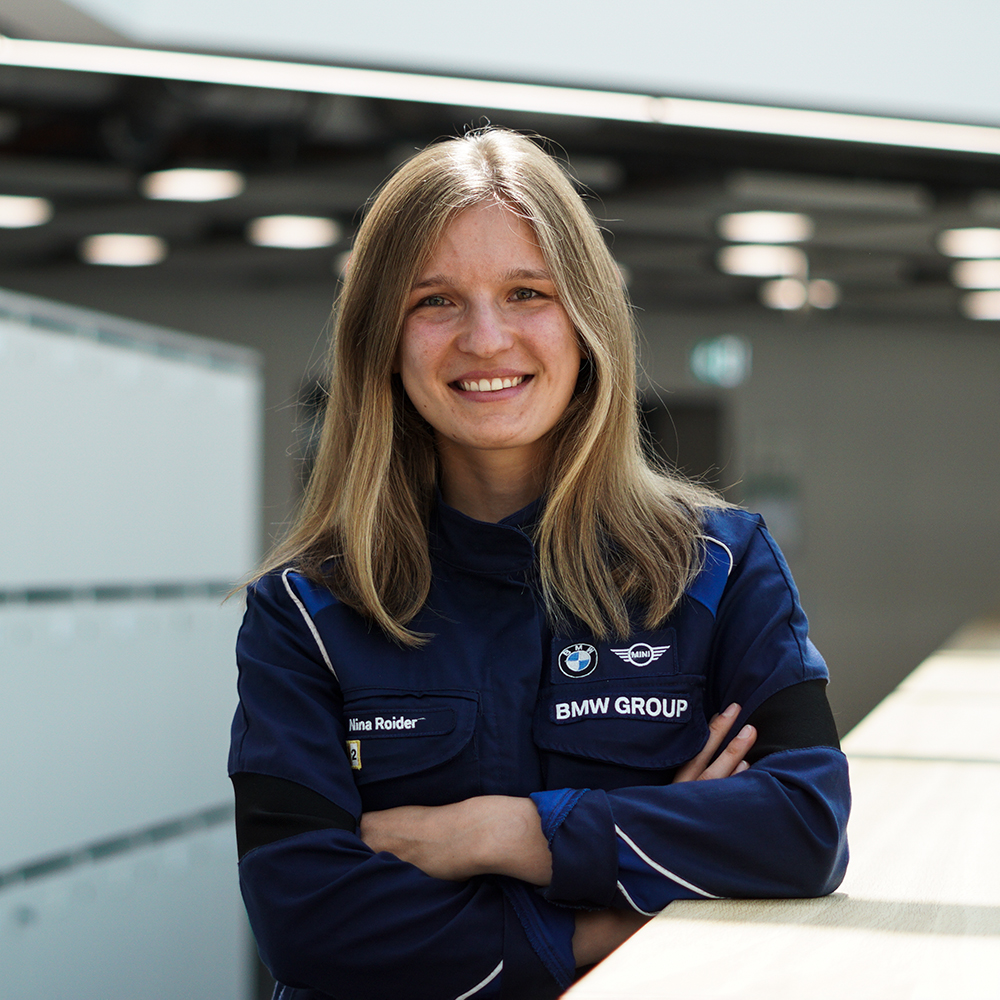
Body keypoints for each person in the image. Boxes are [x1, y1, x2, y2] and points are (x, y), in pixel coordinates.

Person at [229, 129, 850, 1000]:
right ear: (382, 340)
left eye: (527, 292)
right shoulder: (307, 611)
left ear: (587, 319)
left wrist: (507, 832)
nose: (486, 339)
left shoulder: (719, 566)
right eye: (436, 301)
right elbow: (310, 922)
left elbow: (804, 827)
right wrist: (610, 918)